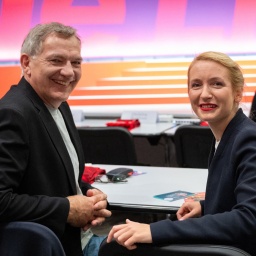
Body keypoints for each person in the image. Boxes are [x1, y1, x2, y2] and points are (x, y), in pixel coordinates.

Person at [107, 51, 256, 256]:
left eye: (216, 84)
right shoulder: (228, 135)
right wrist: (205, 208)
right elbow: (237, 200)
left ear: (238, 93)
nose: (204, 94)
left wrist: (154, 230)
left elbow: (249, 219)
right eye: (196, 85)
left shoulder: (249, 138)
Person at [0, 22, 111, 256]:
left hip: (78, 241)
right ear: (26, 63)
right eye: (56, 60)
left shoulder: (59, 105)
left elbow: (51, 180)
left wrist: (88, 195)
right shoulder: (13, 114)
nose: (69, 72)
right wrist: (67, 209)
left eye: (76, 63)